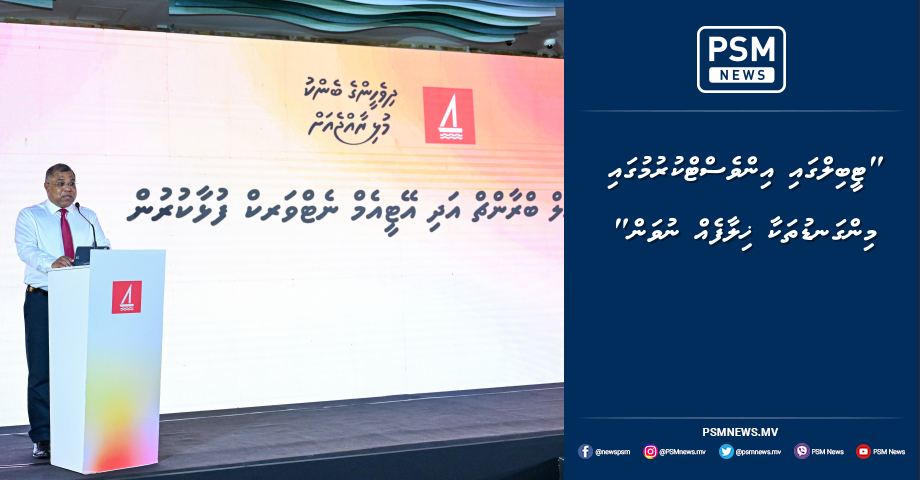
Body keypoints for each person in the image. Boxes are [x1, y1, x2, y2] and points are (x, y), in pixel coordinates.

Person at [13, 164, 111, 459]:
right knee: (42, 369)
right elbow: (26, 249)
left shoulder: (87, 216)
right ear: (47, 186)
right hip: (43, 299)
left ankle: (80, 429)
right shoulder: (31, 215)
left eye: (72, 183)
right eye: (60, 183)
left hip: (81, 299)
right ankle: (43, 436)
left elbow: (104, 247)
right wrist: (51, 262)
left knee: (81, 367)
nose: (68, 188)